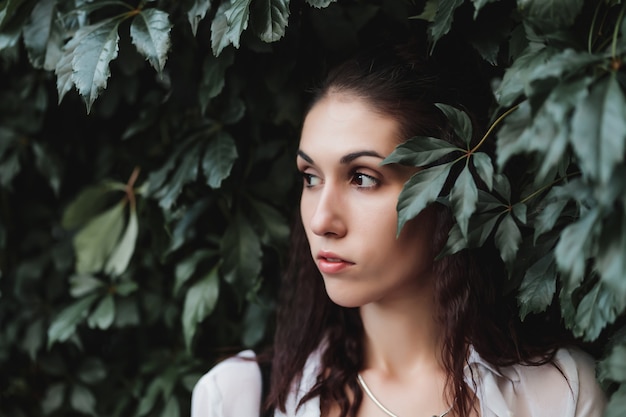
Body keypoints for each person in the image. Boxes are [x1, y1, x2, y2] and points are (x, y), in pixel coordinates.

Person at [191, 41, 607, 417]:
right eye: (310, 177)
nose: (321, 221)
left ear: (447, 190)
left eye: (362, 178)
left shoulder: (561, 394)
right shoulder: (238, 399)